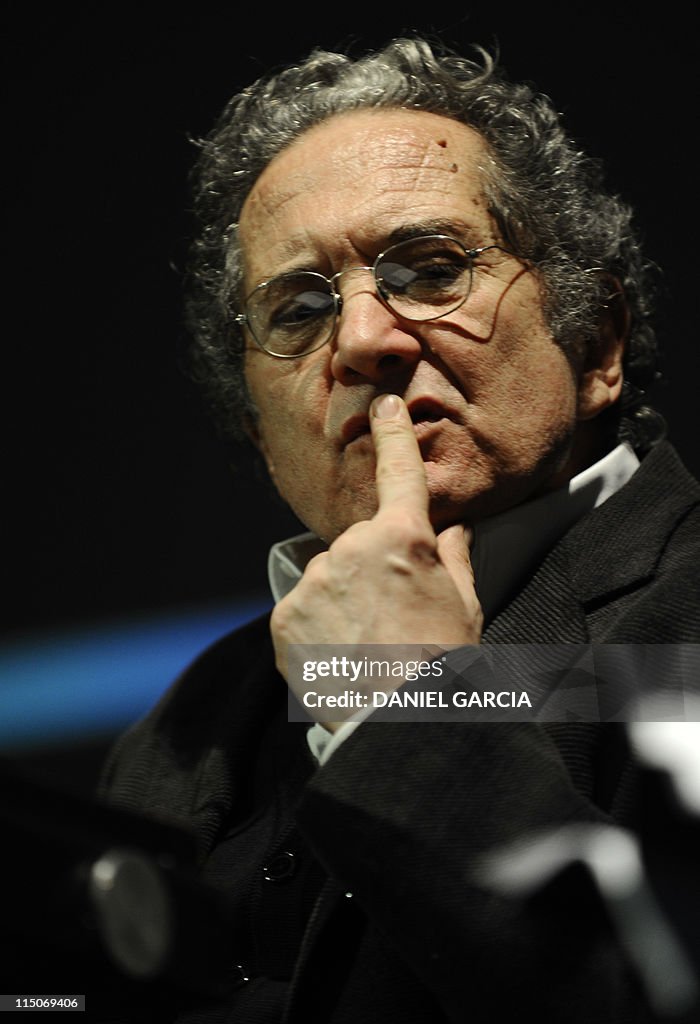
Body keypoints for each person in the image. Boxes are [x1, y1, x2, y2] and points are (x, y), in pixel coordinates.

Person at [100, 36, 700, 1022]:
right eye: (298, 309)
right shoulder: (184, 725)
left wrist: (401, 701)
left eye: (428, 270)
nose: (366, 340)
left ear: (595, 342)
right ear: (259, 429)